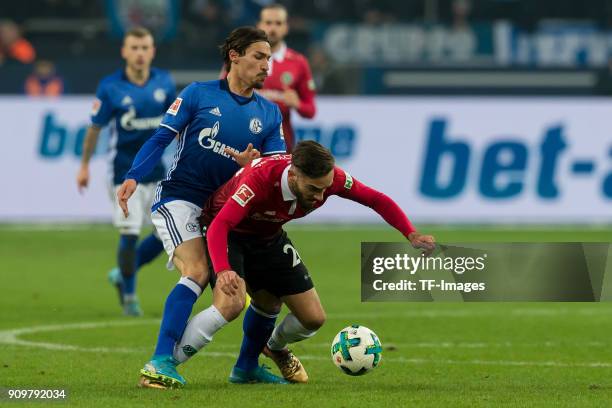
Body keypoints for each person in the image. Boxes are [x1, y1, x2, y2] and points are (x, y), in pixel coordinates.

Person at [173, 141, 436, 384]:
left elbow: (376, 199)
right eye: (313, 189)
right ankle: (165, 365)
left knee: (312, 318)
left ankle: (264, 354)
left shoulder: (332, 180)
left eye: (325, 189)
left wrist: (410, 233)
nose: (321, 197)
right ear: (293, 176)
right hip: (228, 231)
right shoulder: (260, 180)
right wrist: (223, 269)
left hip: (268, 235)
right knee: (231, 303)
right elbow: (221, 224)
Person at [116, 26, 287, 389]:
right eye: (259, 56)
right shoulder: (198, 94)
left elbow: (273, 172)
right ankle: (161, 358)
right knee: (195, 270)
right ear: (234, 56)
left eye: (269, 58)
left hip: (225, 213)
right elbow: (161, 136)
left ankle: (229, 366)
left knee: (236, 299)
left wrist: (250, 169)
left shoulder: (270, 114)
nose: (266, 66)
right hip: (182, 198)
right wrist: (134, 176)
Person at [76, 27, 176, 316]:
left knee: (165, 236)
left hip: (158, 172)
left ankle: (122, 274)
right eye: (134, 47)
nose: (140, 53)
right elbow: (95, 129)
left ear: (152, 51)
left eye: (145, 47)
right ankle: (130, 296)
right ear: (124, 51)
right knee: (130, 233)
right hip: (123, 173)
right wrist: (84, 166)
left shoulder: (164, 82)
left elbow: (176, 122)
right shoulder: (110, 87)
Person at [221, 4, 316, 151]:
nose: (273, 28)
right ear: (259, 25)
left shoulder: (298, 62)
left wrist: (297, 104)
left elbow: (310, 111)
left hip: (280, 147)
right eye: (268, 22)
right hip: (241, 144)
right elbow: (221, 95)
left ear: (286, 27)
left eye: (278, 23)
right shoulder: (240, 57)